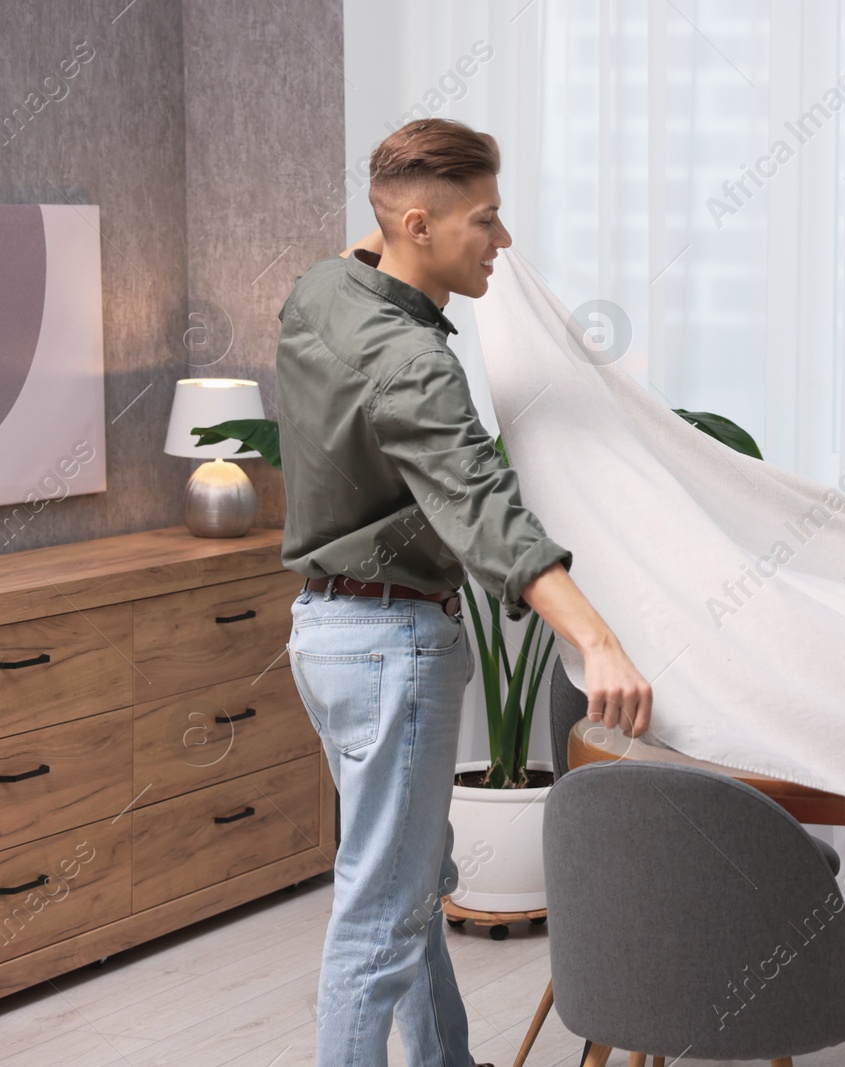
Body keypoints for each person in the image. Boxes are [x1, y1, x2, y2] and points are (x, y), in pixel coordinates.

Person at [276, 117, 652, 1067]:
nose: (503, 239)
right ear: (416, 225)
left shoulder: (323, 289)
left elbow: (361, 250)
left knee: (404, 882)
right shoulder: (414, 366)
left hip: (327, 637)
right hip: (390, 648)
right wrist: (597, 639)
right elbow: (483, 511)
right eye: (485, 219)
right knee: (381, 913)